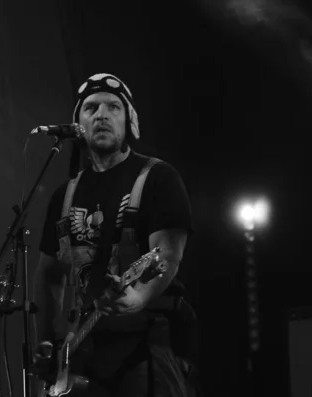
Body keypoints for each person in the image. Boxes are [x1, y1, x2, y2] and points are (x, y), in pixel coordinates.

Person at [32, 73, 198, 397]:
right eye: (91, 108)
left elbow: (166, 255)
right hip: (85, 347)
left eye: (113, 107)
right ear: (78, 123)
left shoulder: (159, 178)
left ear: (129, 120)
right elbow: (50, 274)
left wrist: (137, 297)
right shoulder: (64, 196)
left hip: (147, 342)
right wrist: (48, 340)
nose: (102, 115)